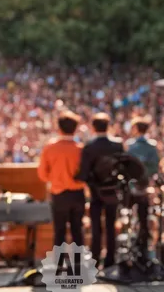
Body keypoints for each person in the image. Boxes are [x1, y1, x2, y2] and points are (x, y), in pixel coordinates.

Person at [78, 112, 125, 268]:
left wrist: (93, 184)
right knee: (111, 225)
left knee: (96, 226)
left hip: (95, 192)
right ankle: (111, 260)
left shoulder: (89, 147)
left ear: (93, 127)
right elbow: (122, 168)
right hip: (112, 191)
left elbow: (84, 174)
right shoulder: (117, 145)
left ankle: (95, 259)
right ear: (108, 126)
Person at [37, 111, 85, 247]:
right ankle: (78, 264)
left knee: (59, 231)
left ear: (59, 128)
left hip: (58, 193)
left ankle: (58, 264)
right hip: (77, 193)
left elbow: (42, 174)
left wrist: (55, 179)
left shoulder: (50, 147)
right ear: (75, 129)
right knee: (77, 230)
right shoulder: (81, 149)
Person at [125, 116, 158, 254]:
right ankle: (143, 240)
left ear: (136, 129)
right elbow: (154, 167)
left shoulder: (131, 145)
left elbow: (126, 165)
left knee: (128, 214)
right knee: (143, 215)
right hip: (144, 185)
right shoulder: (152, 146)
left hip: (132, 185)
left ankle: (132, 242)